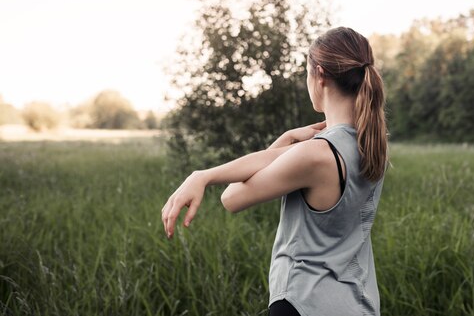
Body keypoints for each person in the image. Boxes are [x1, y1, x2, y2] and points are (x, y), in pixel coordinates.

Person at [161, 26, 390, 316]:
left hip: (304, 304)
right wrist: (204, 175)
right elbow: (287, 158)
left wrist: (203, 176)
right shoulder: (370, 144)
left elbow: (232, 197)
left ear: (319, 75)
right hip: (359, 304)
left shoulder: (316, 154)